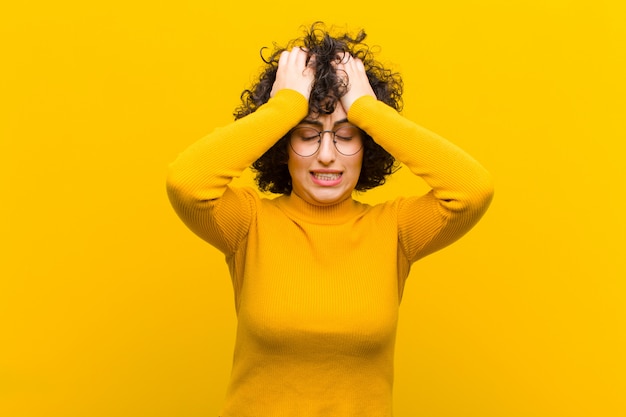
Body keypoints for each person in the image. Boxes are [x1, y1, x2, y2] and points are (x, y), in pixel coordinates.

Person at [166, 23, 494, 417]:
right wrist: (286, 107)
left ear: (366, 144)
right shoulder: (247, 224)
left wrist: (366, 109)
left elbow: (472, 189)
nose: (327, 155)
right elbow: (186, 182)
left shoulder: (396, 231)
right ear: (282, 145)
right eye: (307, 135)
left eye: (346, 135)